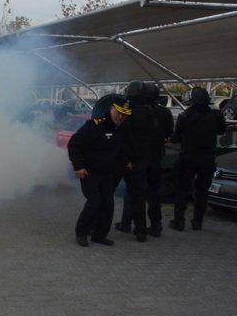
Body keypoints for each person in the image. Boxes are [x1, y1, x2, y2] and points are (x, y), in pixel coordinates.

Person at [68, 97, 132, 247]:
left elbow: (119, 149)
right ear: (111, 109)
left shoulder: (120, 129)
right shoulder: (93, 126)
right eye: (119, 113)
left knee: (108, 205)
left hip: (107, 173)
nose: (122, 117)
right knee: (94, 202)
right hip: (89, 173)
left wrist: (126, 162)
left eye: (125, 114)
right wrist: (79, 167)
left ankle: (99, 235)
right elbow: (75, 145)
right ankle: (82, 233)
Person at [115, 82, 174, 237]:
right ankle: (156, 226)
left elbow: (120, 135)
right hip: (155, 159)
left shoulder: (128, 112)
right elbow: (169, 134)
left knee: (136, 195)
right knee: (154, 194)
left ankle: (139, 230)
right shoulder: (163, 112)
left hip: (136, 160)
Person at [169, 87, 225, 231]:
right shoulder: (216, 115)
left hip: (188, 157)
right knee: (202, 191)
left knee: (182, 190)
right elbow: (222, 130)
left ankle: (179, 221)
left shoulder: (185, 116)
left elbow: (175, 137)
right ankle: (197, 222)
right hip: (207, 158)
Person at [114, 80, 156, 242]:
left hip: (123, 160)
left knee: (105, 193)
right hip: (140, 161)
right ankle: (141, 231)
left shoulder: (126, 111)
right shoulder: (151, 113)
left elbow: (118, 134)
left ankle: (95, 227)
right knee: (138, 198)